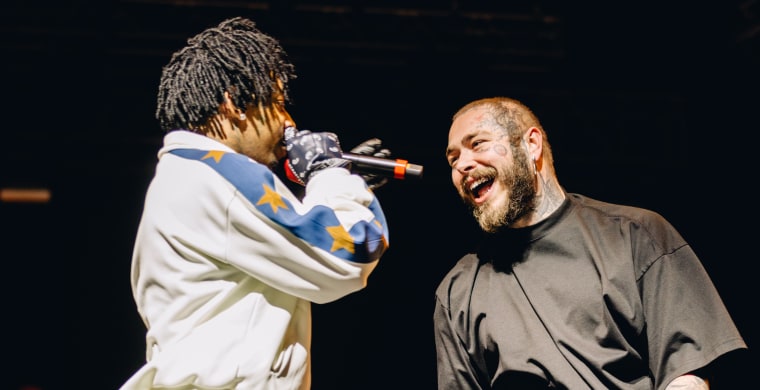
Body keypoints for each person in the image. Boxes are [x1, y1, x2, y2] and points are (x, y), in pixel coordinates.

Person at [121, 16, 391, 390]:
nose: (288, 121)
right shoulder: (215, 171)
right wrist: (329, 176)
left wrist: (341, 185)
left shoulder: (183, 175)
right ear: (234, 103)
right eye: (278, 103)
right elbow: (348, 257)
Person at [434, 96, 748, 389]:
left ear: (531, 144)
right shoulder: (458, 290)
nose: (462, 165)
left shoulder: (634, 235)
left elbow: (685, 374)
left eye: (478, 144)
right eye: (453, 159)